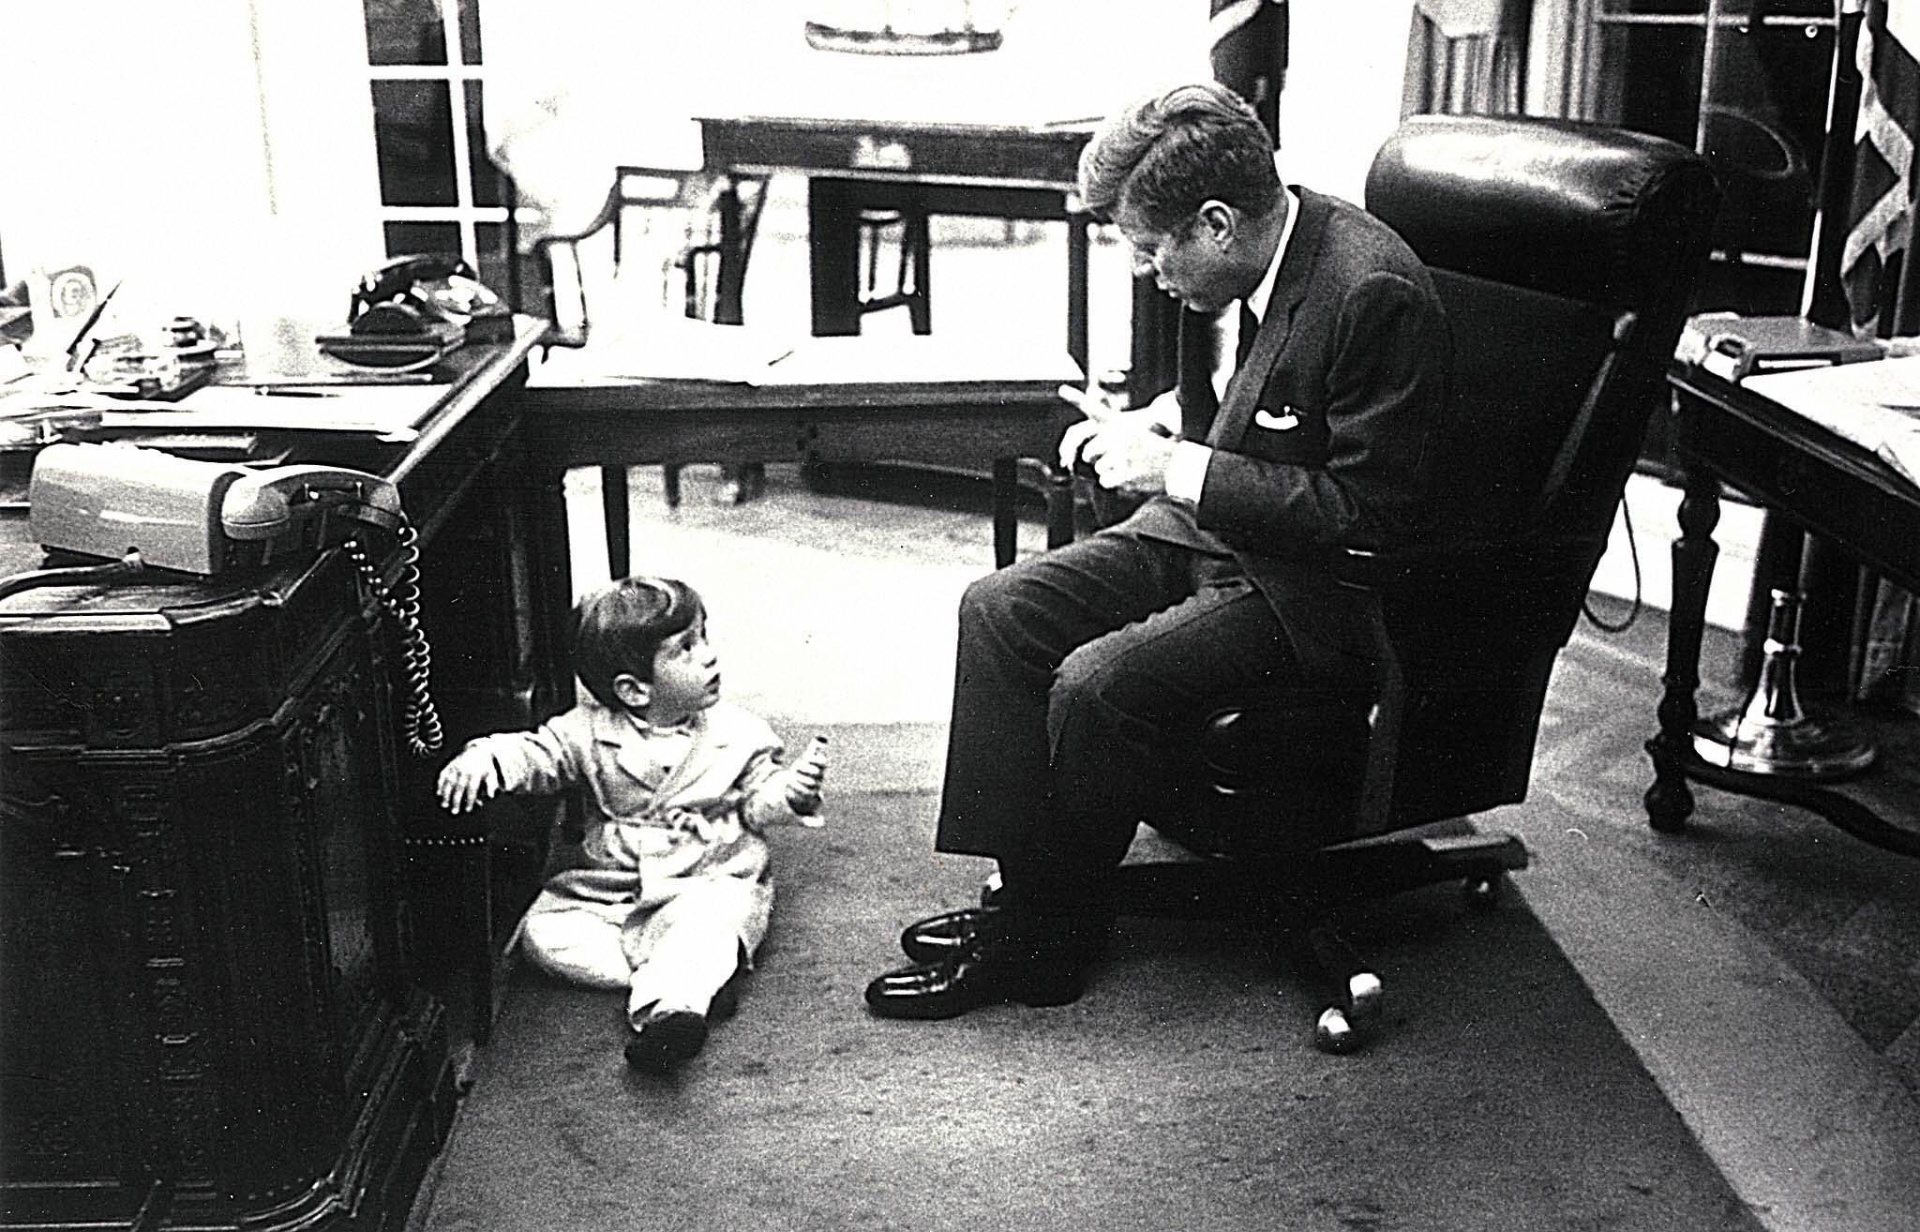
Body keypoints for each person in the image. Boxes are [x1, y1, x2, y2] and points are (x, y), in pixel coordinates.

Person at [863, 81, 1451, 1020]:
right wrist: (1170, 422)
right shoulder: (1250, 261)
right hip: (1218, 534)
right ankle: (1035, 900)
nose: (1143, 269)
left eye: (1149, 246)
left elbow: (1366, 514)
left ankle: (1046, 948)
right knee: (1001, 610)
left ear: (1215, 223)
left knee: (1097, 683)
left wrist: (1177, 466)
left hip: (1313, 590)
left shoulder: (1369, 287)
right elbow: (1268, 404)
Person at [438, 575, 829, 1070]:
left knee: (707, 925)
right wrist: (488, 758)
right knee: (542, 936)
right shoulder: (586, 731)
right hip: (613, 886)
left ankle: (674, 1013)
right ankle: (693, 980)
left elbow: (755, 805)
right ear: (634, 690)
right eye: (686, 649)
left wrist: (789, 793)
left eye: (704, 638)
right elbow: (537, 753)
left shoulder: (741, 733)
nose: (709, 656)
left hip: (706, 876)